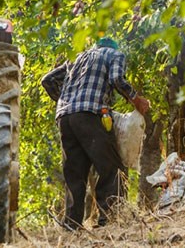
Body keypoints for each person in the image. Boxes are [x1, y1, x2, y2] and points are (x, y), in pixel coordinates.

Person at [41, 37, 150, 230]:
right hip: (90, 115)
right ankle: (110, 220)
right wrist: (136, 99)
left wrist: (65, 101)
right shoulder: (114, 54)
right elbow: (117, 78)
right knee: (112, 167)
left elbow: (47, 80)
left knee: (75, 172)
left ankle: (72, 225)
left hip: (65, 118)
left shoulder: (76, 58)